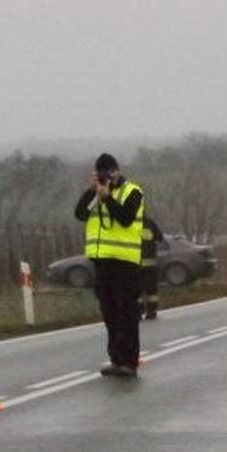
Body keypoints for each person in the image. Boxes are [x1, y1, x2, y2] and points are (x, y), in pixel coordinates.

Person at [74, 153, 144, 376]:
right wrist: (93, 190)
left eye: (108, 173)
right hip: (102, 262)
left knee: (127, 313)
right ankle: (116, 359)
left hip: (125, 262)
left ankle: (129, 362)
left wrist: (108, 198)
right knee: (110, 313)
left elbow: (125, 218)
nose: (106, 177)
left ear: (117, 171)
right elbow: (80, 214)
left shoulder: (132, 192)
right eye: (101, 174)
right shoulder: (97, 193)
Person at [140, 215, 164, 320]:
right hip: (151, 265)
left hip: (135, 265)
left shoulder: (128, 222)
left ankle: (138, 313)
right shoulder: (150, 222)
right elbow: (160, 238)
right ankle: (152, 312)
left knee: (136, 292)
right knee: (151, 291)